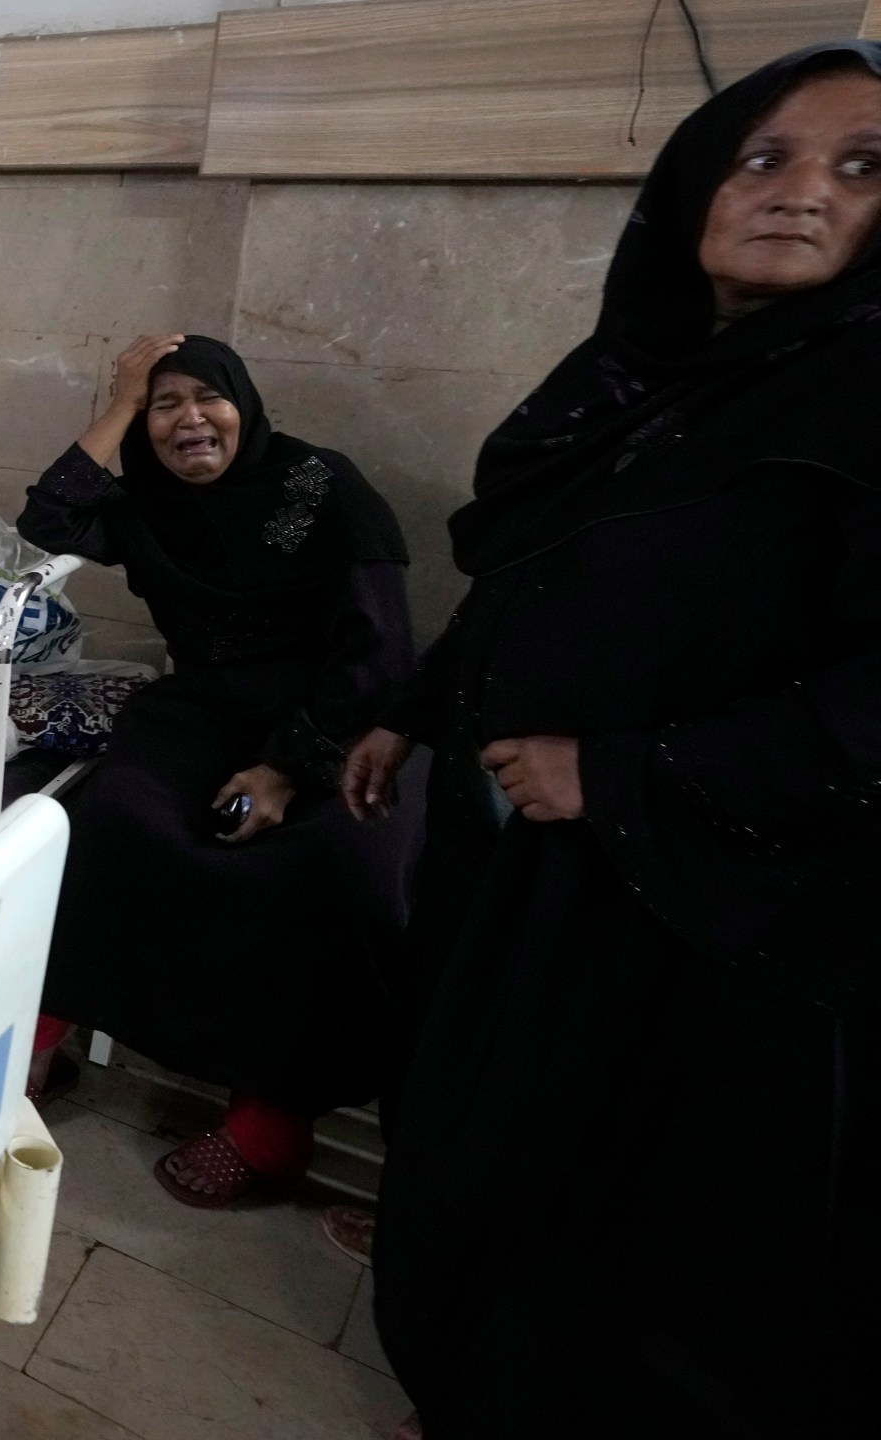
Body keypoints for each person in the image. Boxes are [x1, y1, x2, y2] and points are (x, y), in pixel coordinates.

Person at [338, 42, 881, 1436]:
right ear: (693, 182)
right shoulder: (636, 383)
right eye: (764, 158)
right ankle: (457, 1351)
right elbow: (539, 584)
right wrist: (409, 715)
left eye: (861, 167)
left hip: (701, 897)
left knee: (620, 1205)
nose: (803, 195)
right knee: (483, 1129)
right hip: (519, 859)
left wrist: (622, 773)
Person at [18, 334, 423, 1208]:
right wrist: (120, 402)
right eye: (164, 405)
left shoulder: (318, 483)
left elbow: (382, 649)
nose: (189, 420)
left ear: (245, 403)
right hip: (203, 708)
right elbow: (46, 521)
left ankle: (270, 1124)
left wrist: (285, 768)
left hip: (344, 717)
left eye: (208, 398)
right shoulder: (148, 502)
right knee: (111, 827)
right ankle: (39, 1044)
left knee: (340, 870)